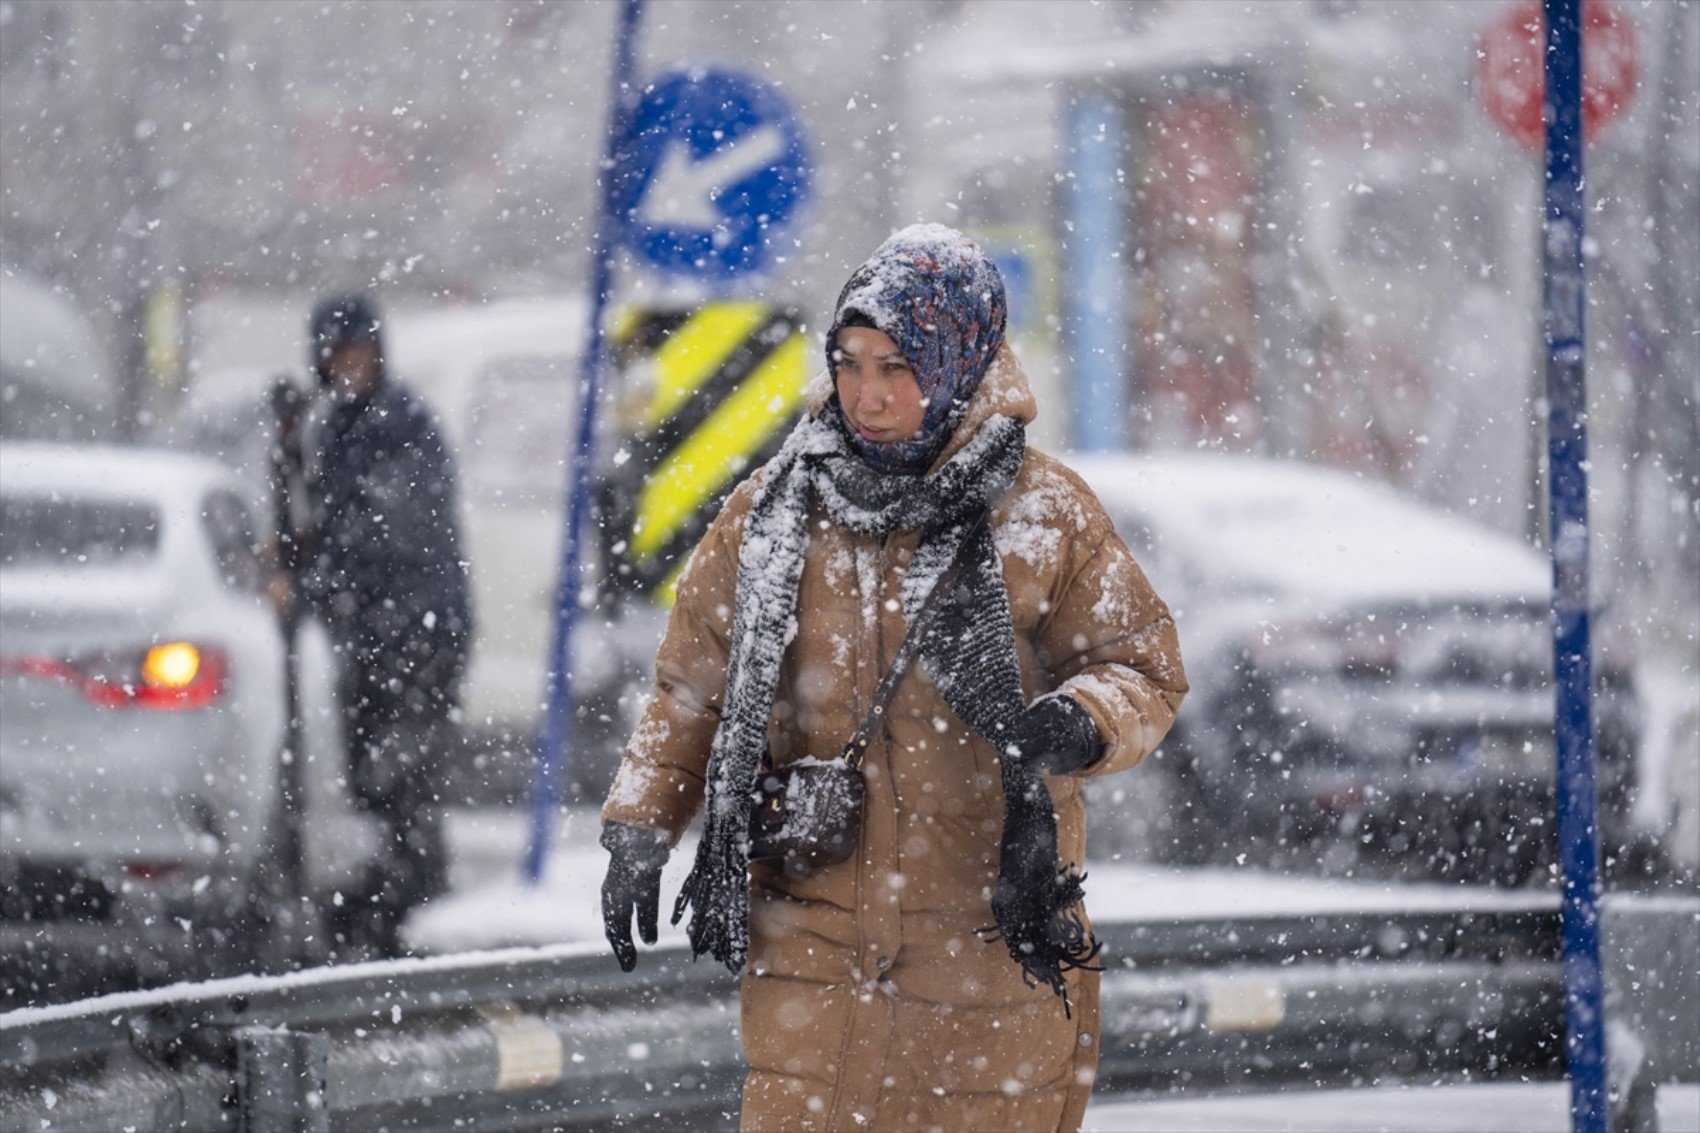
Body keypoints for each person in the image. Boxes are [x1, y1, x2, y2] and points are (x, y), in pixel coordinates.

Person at [600, 225, 1187, 1131]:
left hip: (984, 944)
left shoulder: (1042, 514)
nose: (867, 397)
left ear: (957, 362)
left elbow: (1142, 666)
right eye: (850, 364)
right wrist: (641, 824)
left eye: (896, 369)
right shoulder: (770, 509)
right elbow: (692, 687)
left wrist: (1080, 719)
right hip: (813, 947)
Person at [297, 293, 472, 957]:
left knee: (403, 779)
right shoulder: (339, 427)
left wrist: (315, 574)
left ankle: (412, 910)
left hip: (418, 638)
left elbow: (388, 532)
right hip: (375, 637)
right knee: (373, 779)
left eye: (358, 352)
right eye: (336, 355)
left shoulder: (401, 425)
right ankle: (387, 911)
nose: (348, 366)